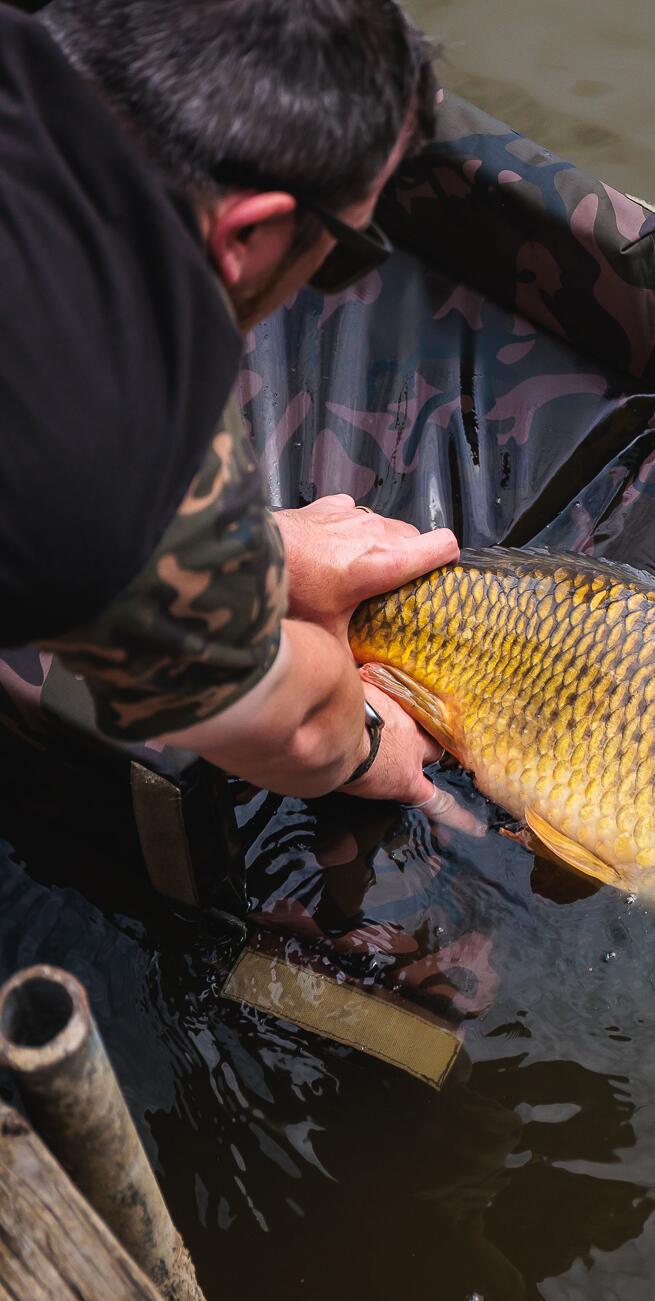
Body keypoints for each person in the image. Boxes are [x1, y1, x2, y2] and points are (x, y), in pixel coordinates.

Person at [0, 0, 466, 819]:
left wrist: (259, 549)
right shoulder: (114, 438)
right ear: (250, 231)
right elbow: (291, 730)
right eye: (344, 249)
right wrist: (366, 736)